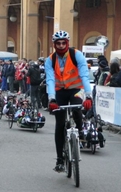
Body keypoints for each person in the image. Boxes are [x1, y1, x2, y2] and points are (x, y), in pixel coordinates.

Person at [45, 30, 92, 172]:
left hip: (76, 89)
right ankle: (60, 159)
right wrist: (51, 98)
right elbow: (50, 79)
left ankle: (79, 130)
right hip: (59, 91)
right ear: (54, 44)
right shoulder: (50, 60)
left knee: (77, 109)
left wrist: (89, 95)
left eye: (63, 43)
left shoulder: (76, 55)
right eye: (57, 43)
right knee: (59, 124)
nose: (60, 45)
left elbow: (84, 74)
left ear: (67, 43)